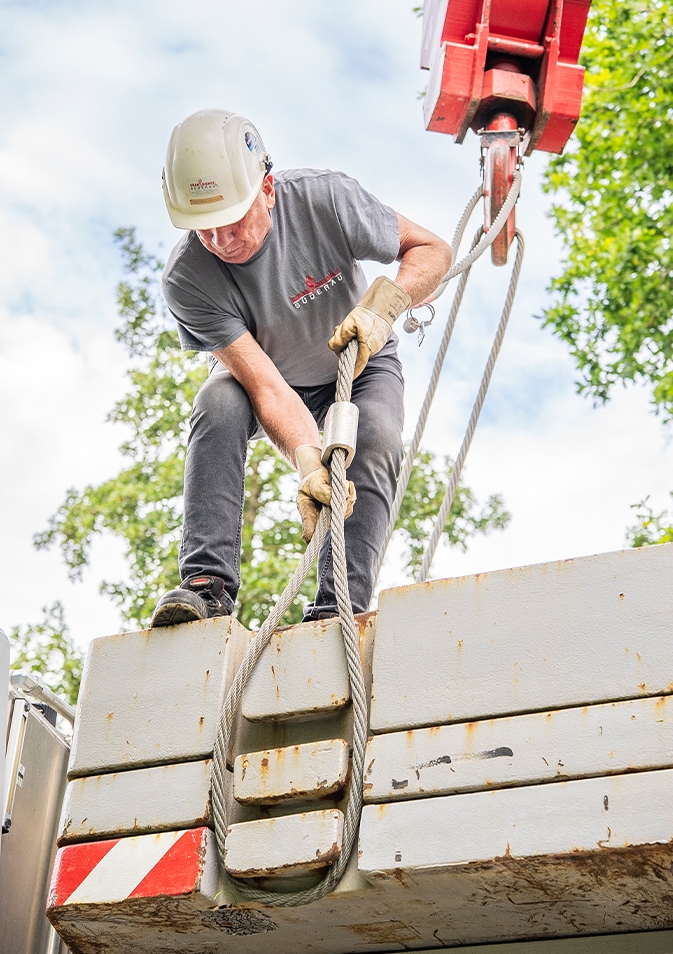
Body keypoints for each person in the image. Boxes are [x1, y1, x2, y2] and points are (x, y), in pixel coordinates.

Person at [150, 107, 451, 628]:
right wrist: (309, 462)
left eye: (231, 221)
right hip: (274, 375)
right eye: (203, 231)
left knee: (376, 433)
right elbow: (264, 385)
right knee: (217, 402)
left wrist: (387, 305)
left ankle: (340, 606)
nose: (220, 242)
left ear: (266, 188)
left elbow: (433, 249)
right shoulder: (187, 280)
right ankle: (208, 584)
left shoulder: (324, 199)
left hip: (361, 366)